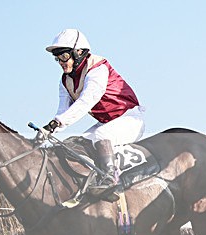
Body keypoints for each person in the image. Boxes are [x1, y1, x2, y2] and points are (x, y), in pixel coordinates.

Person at [43, 28, 145, 195]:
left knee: (101, 136)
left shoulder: (98, 69)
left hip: (130, 119)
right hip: (108, 123)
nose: (60, 62)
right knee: (75, 143)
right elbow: (63, 110)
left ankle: (111, 180)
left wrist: (57, 123)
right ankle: (89, 183)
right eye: (57, 58)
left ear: (79, 53)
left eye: (64, 56)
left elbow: (86, 101)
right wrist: (50, 128)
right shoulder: (65, 81)